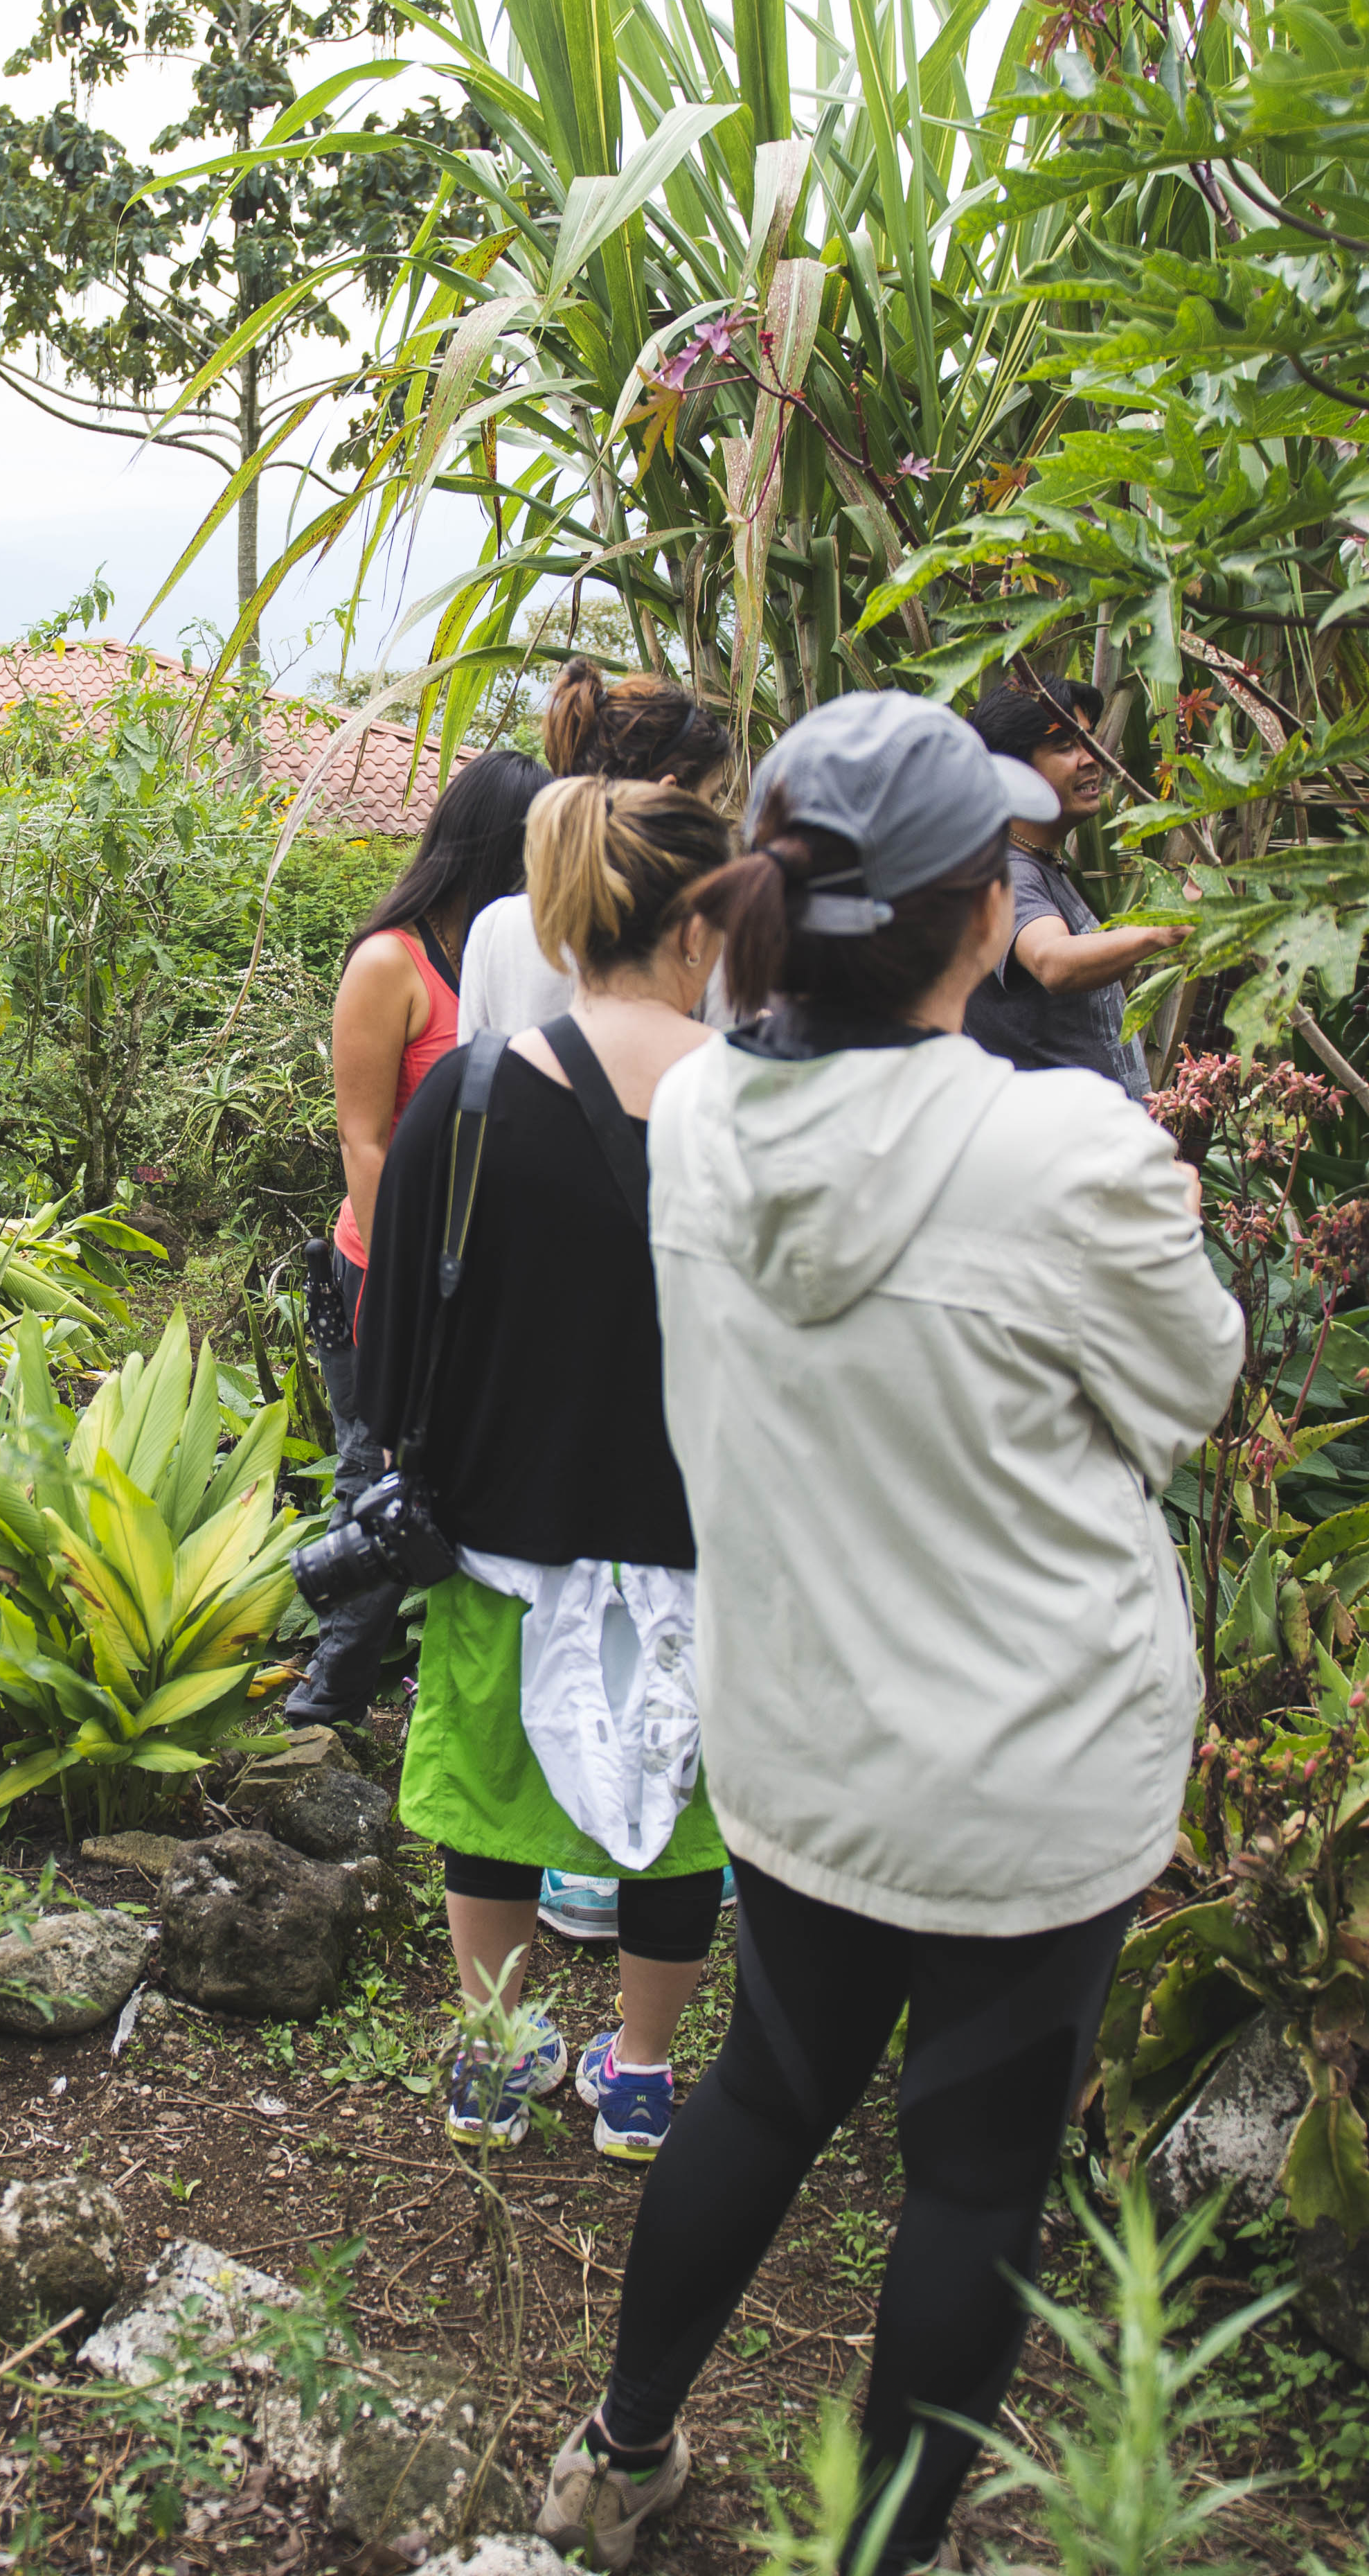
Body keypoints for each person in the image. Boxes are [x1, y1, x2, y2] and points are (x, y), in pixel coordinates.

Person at [535, 693, 1244, 2573]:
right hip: (1033, 1770)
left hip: (804, 1745)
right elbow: (1189, 1395)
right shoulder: (1066, 1150)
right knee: (977, 2177)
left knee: (766, 2089)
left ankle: (616, 2454)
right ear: (980, 910)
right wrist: (1163, 1220)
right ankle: (887, 2553)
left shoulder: (702, 1113)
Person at [351, 781, 737, 2161]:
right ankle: (640, 2075)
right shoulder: (766, 1109)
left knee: (492, 1801)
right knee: (678, 1814)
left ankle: (489, 2064)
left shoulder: (465, 1098)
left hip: (501, 1530)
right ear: (698, 922)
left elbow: (392, 1336)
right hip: (702, 1527)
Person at [450, 659, 737, 1951]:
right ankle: (645, 2038)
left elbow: (468, 1106)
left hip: (523, 1361)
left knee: (514, 1699)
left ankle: (501, 2023)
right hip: (674, 1367)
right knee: (674, 1702)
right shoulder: (723, 1013)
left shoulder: (495, 949)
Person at [284, 747, 549, 1727]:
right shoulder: (391, 962)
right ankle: (329, 1694)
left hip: (483, 1268)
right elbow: (363, 1139)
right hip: (389, 1266)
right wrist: (413, 1276)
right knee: (378, 1463)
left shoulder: (505, 954)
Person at [456, 659, 739, 1033]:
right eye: (711, 797)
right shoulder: (703, 929)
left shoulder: (496, 927)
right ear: (669, 795)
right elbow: (733, 1062)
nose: (717, 818)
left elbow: (475, 1066)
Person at [958, 677, 1185, 1096]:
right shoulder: (1003, 872)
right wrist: (1163, 931)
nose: (1091, 758)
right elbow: (1052, 961)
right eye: (1065, 746)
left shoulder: (1036, 862)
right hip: (1060, 1134)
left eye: (1088, 739)